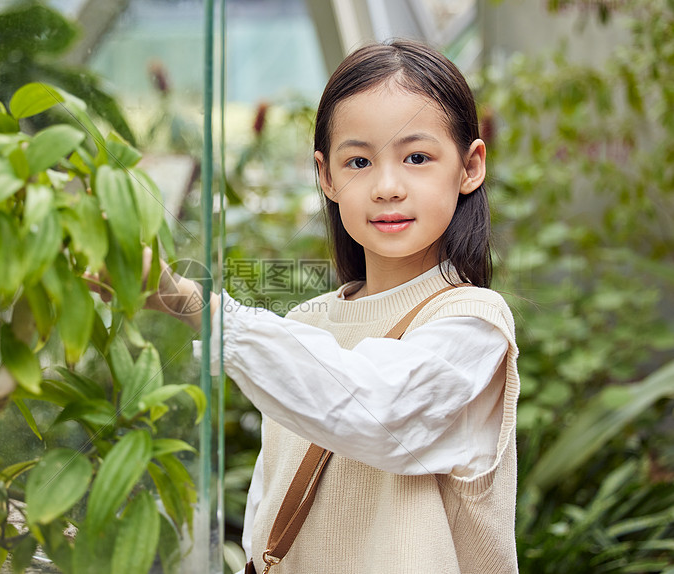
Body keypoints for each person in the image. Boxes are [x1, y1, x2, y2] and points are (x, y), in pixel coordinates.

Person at [146, 39, 520, 573]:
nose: (387, 186)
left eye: (417, 157)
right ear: (327, 177)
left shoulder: (473, 325)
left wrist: (197, 305)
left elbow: (375, 408)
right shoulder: (308, 324)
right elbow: (267, 507)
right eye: (359, 161)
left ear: (470, 165)